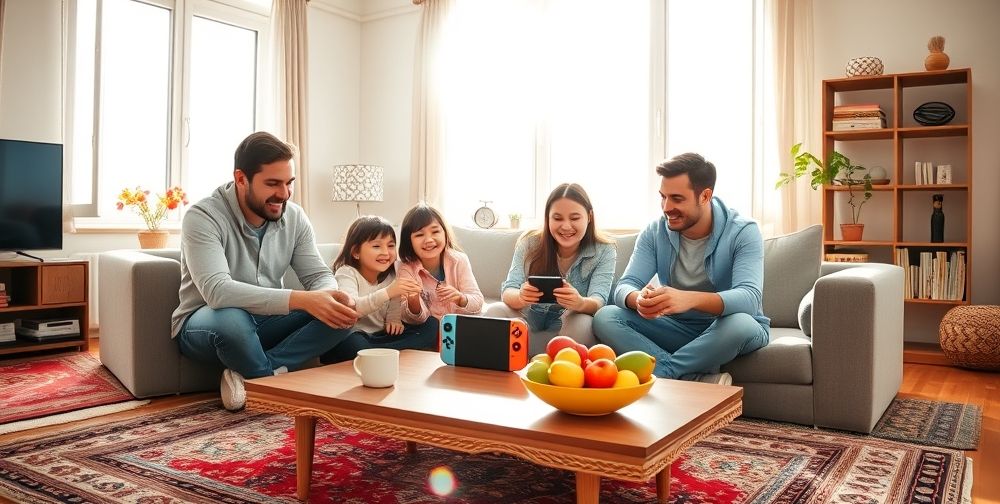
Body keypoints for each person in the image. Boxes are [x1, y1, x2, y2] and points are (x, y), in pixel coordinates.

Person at [172, 131, 362, 411]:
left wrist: (327, 297)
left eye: (289, 183)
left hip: (268, 322)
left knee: (342, 314)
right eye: (273, 183)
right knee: (233, 321)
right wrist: (303, 300)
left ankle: (258, 377)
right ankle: (272, 386)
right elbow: (217, 292)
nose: (284, 194)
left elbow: (318, 275)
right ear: (241, 179)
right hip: (209, 323)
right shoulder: (203, 217)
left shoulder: (294, 216)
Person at [593, 153, 769, 385]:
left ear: (705, 196)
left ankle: (664, 375)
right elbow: (624, 287)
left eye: (677, 198)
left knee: (740, 323)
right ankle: (690, 376)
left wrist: (689, 299)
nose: (667, 207)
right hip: (677, 328)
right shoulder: (655, 232)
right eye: (663, 197)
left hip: (725, 329)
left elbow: (749, 298)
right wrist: (639, 300)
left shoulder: (743, 231)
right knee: (606, 316)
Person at [485, 183, 616, 355]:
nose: (566, 226)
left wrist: (579, 302)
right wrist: (521, 297)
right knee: (494, 310)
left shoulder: (604, 250)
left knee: (583, 322)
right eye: (558, 218)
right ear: (547, 218)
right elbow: (509, 290)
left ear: (589, 216)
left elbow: (599, 300)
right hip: (528, 324)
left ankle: (563, 371)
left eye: (575, 218)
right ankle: (504, 372)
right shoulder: (529, 243)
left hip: (569, 331)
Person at [319, 215, 438, 364]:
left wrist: (394, 319)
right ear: (356, 252)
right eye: (377, 246)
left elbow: (396, 299)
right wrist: (388, 291)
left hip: (381, 334)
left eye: (391, 245)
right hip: (356, 334)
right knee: (352, 343)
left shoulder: (392, 273)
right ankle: (384, 353)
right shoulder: (346, 273)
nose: (386, 252)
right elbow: (353, 308)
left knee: (431, 325)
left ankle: (377, 354)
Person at [397, 204, 484, 326]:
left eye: (435, 231)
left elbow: (478, 303)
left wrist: (460, 298)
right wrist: (413, 301)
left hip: (458, 327)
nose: (429, 240)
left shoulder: (459, 260)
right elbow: (410, 319)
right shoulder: (406, 269)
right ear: (409, 241)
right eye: (419, 235)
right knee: (430, 327)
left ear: (445, 233)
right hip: (426, 331)